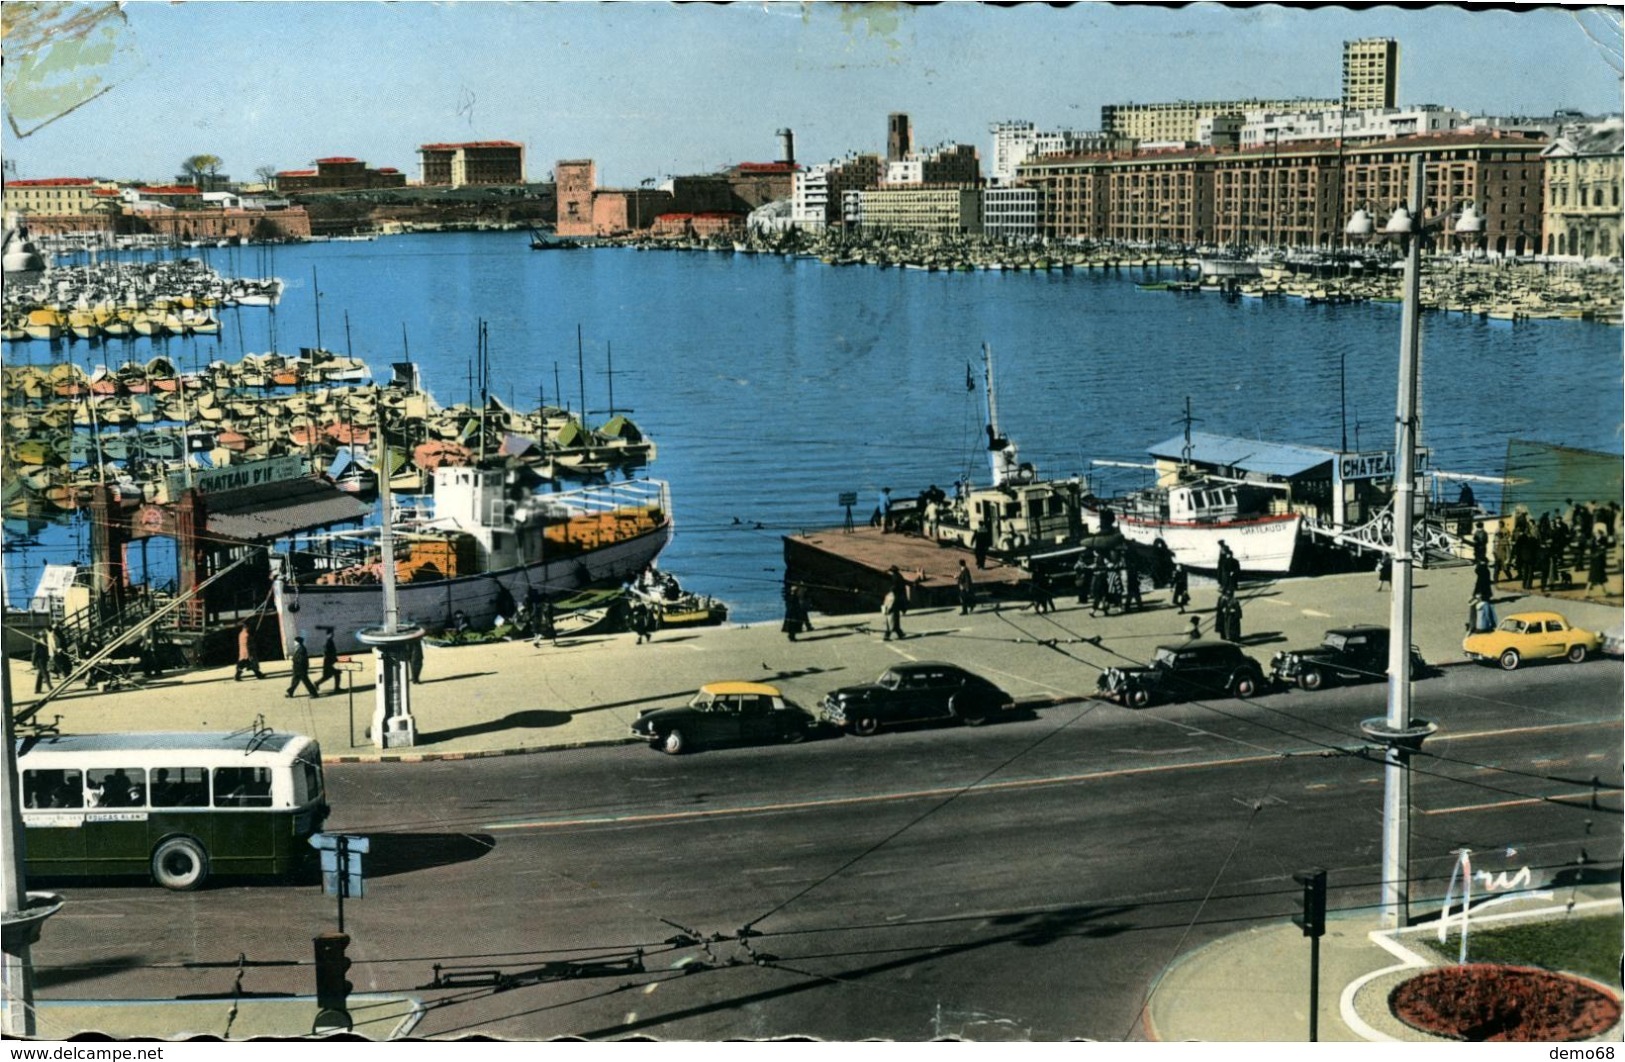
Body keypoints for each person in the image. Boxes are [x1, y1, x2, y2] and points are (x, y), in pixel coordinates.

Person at [286, 634, 318, 698]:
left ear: (298, 642)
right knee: (295, 681)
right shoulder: (298, 648)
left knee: (306, 682)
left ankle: (314, 694)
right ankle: (290, 692)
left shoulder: (302, 649)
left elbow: (301, 660)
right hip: (297, 668)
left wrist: (294, 660)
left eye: (295, 641)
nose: (294, 643)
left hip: (301, 668)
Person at [882, 566, 908, 641]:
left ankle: (887, 635)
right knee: (895, 618)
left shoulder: (894, 578)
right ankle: (900, 633)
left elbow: (893, 589)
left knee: (891, 618)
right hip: (897, 600)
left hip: (893, 600)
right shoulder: (899, 576)